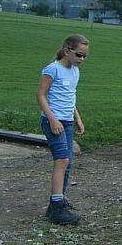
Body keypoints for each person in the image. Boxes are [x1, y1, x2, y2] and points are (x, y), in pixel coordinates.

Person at [36, 34, 89, 225]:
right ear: (67, 50)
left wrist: (78, 118)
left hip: (67, 122)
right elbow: (41, 95)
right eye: (78, 55)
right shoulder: (52, 69)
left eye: (84, 56)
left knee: (67, 163)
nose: (81, 59)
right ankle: (56, 207)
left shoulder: (74, 71)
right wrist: (52, 119)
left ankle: (59, 199)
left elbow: (70, 96)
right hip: (54, 122)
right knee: (61, 160)